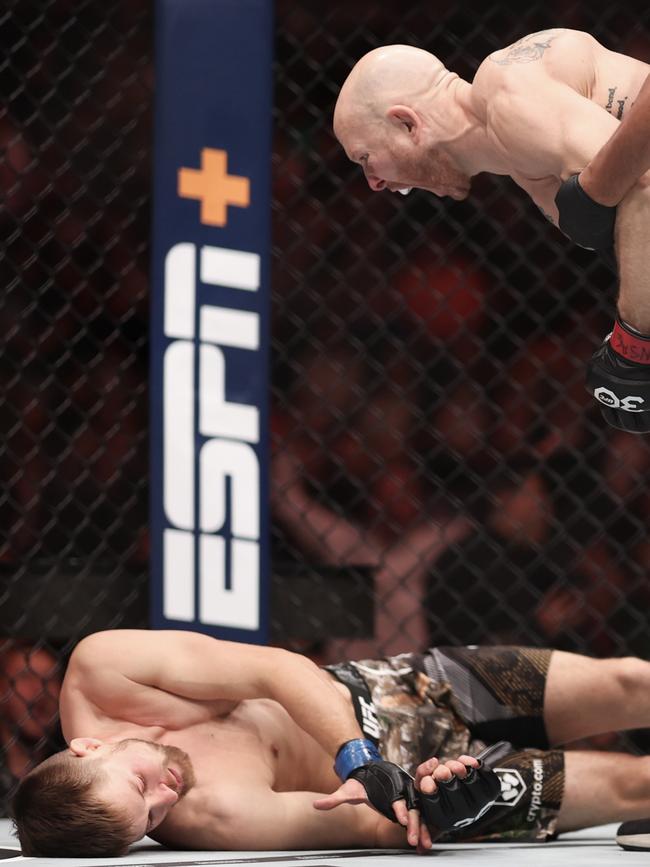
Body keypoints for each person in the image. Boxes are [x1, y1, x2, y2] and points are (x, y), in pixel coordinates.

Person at [12, 629, 650, 856]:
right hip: (413, 777)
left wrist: (356, 756)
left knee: (628, 679)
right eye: (149, 821)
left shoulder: (104, 671)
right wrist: (441, 810)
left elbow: (278, 670)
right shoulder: (213, 816)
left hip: (402, 690)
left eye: (141, 786)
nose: (165, 797)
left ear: (89, 749)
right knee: (635, 786)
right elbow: (370, 831)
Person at [333, 29, 650, 433]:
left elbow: (643, 184)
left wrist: (635, 345)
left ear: (406, 124)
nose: (373, 183)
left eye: (365, 157)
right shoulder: (524, 165)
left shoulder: (507, 91)